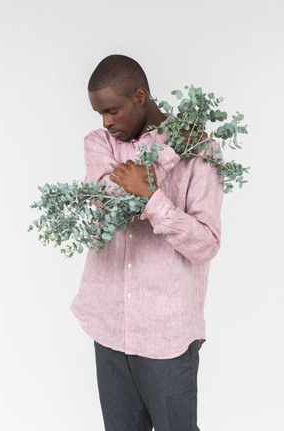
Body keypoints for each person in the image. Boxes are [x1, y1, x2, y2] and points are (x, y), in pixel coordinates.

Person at [71, 54, 223, 431]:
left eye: (111, 110)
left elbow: (205, 244)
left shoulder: (202, 150)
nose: (106, 122)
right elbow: (109, 204)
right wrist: (169, 156)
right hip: (108, 326)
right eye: (99, 114)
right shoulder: (99, 144)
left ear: (140, 96)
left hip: (166, 335)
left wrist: (152, 199)